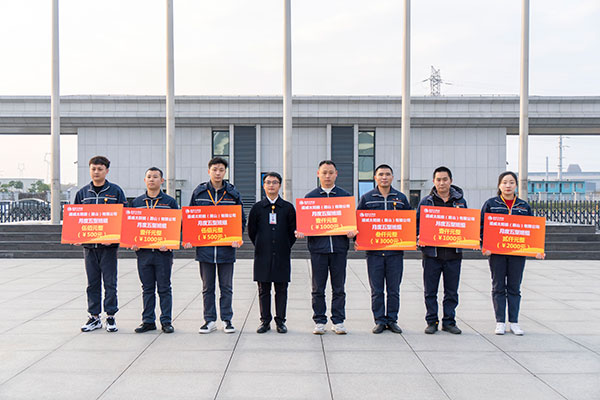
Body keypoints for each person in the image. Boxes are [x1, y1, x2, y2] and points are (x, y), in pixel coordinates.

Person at [183, 157, 246, 334]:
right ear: (208, 171)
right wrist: (189, 237)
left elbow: (240, 219)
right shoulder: (199, 193)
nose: (218, 173)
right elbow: (191, 218)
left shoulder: (233, 193)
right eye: (214, 169)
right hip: (205, 250)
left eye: (221, 170)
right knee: (207, 288)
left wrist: (237, 236)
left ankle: (227, 320)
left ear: (225, 172)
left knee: (226, 288)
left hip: (226, 249)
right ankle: (209, 320)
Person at [296, 160, 356, 335]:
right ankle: (320, 320)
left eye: (331, 172)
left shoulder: (345, 197)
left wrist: (352, 232)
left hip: (339, 249)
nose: (327, 176)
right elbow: (304, 223)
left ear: (336, 174)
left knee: (339, 288)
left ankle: (338, 320)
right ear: (318, 174)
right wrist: (301, 230)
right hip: (318, 250)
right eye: (324, 172)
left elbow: (352, 222)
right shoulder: (310, 198)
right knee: (318, 288)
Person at [481, 171, 544, 336]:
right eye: (504, 182)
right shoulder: (491, 204)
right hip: (497, 253)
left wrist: (536, 250)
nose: (508, 185)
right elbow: (482, 227)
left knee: (514, 287)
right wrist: (484, 246)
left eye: (511, 182)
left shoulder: (523, 206)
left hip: (517, 253)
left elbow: (531, 230)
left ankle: (514, 322)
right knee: (498, 286)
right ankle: (500, 321)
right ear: (499, 185)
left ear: (516, 185)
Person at [74, 156, 127, 333]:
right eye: (93, 169)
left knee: (110, 283)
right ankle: (94, 317)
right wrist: (76, 235)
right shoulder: (83, 193)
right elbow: (76, 217)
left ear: (106, 171)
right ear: (90, 170)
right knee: (92, 283)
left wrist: (115, 237)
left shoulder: (115, 191)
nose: (96, 172)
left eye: (100, 169)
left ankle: (110, 316)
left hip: (109, 248)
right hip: (89, 248)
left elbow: (124, 217)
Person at [357, 164, 411, 334]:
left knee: (394, 290)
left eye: (387, 174)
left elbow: (409, 222)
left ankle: (392, 320)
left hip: (395, 253)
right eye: (381, 174)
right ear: (375, 178)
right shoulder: (367, 198)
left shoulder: (401, 198)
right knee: (377, 290)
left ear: (392, 177)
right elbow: (359, 222)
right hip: (374, 253)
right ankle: (380, 320)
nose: (384, 177)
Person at [416, 166, 466, 335]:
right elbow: (417, 224)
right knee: (430, 291)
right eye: (438, 180)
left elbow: (466, 225)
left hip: (453, 254)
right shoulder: (426, 202)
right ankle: (432, 321)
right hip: (432, 254)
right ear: (434, 181)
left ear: (451, 181)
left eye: (445, 179)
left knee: (451, 292)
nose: (442, 183)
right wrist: (418, 236)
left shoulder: (460, 202)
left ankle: (449, 321)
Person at [130, 167, 179, 334]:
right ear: (145, 180)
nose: (152, 179)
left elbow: (176, 226)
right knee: (147, 289)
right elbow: (131, 227)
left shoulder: (170, 202)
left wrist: (170, 243)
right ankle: (148, 321)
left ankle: (166, 321)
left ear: (162, 181)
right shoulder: (137, 203)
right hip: (143, 253)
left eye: (155, 177)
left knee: (164, 288)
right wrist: (132, 242)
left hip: (163, 254)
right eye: (149, 177)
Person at [248, 172, 296, 334]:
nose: (271, 185)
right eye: (268, 182)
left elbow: (292, 232)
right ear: (263, 185)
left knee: (281, 290)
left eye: (274, 182)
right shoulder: (257, 208)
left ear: (280, 185)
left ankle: (280, 321)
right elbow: (252, 231)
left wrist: (284, 245)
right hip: (263, 255)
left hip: (282, 255)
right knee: (263, 290)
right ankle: (265, 321)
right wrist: (262, 244)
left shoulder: (287, 208)